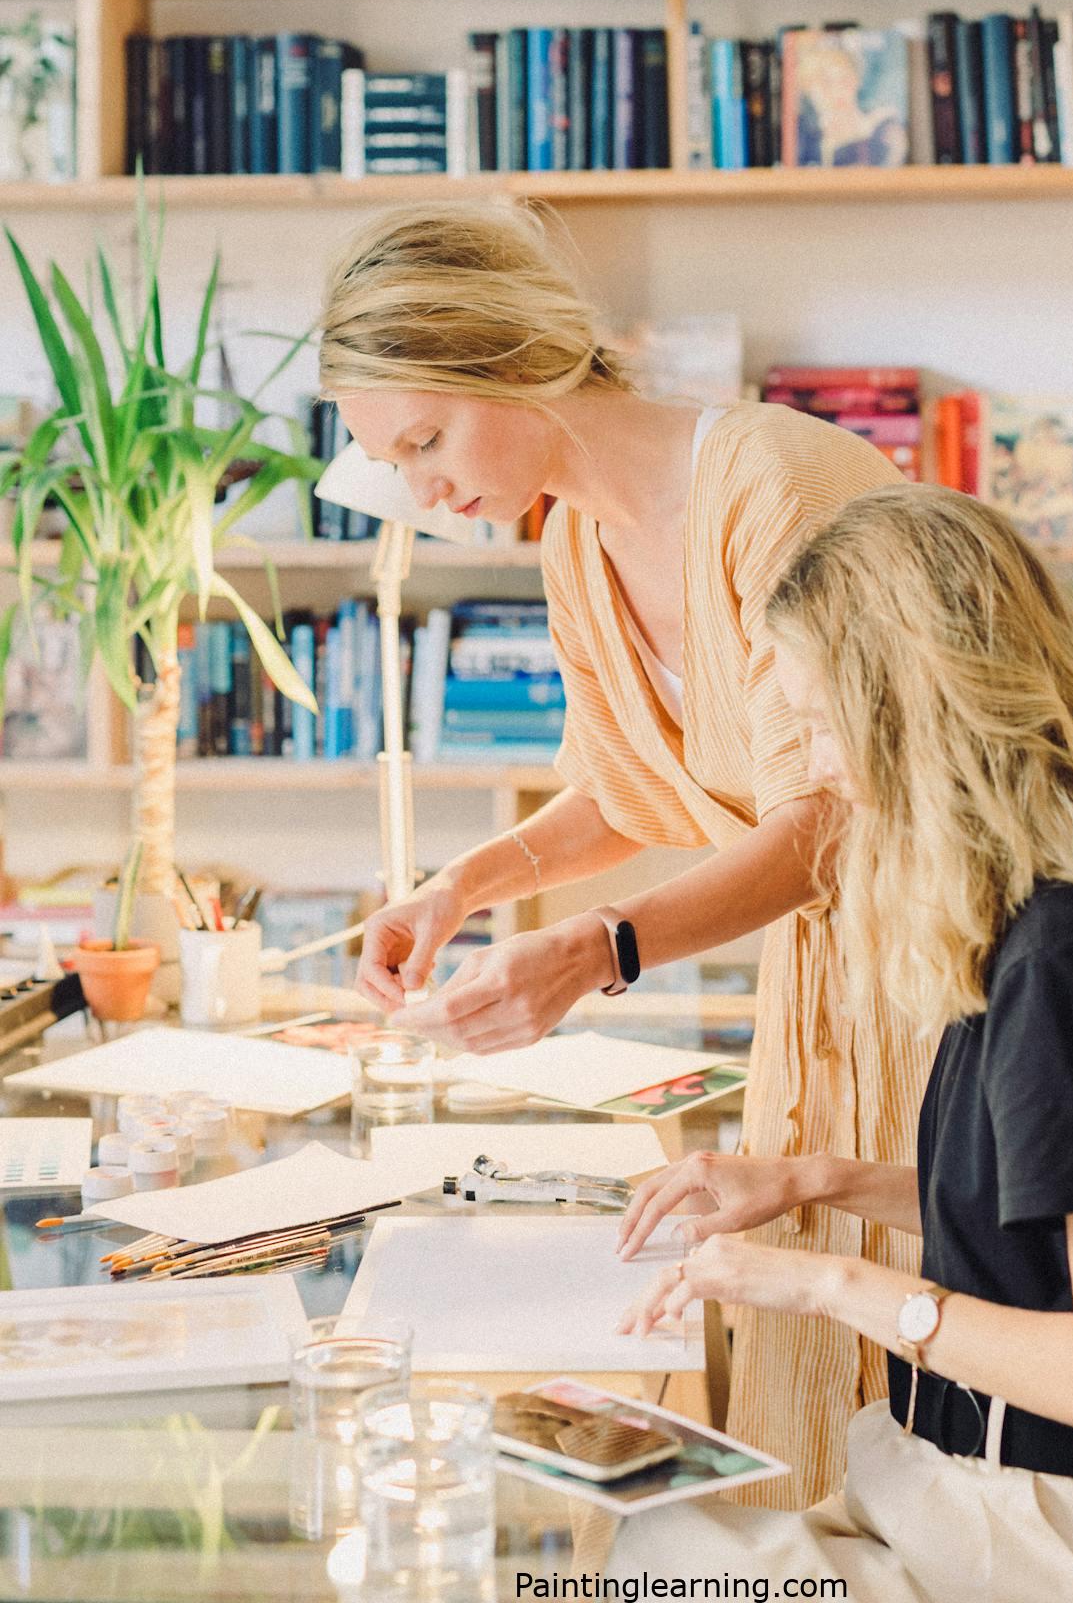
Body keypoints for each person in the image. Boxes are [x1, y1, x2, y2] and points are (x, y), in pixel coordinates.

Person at [317, 200, 934, 1507]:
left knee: (931, 1407)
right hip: (818, 1012)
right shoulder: (574, 542)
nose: (422, 491)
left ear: (509, 354)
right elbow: (635, 781)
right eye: (391, 459)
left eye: (423, 439)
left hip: (943, 998)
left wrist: (603, 948)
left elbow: (842, 813)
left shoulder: (779, 484)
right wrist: (459, 887)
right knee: (812, 1414)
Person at [611, 483, 1073, 1601]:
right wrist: (813, 1176)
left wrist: (823, 1283)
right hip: (964, 1496)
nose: (811, 759)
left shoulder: (1062, 962)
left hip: (1051, 1540)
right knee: (641, 1546)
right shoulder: (1034, 917)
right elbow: (1036, 1223)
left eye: (814, 719)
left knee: (635, 1559)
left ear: (910, 705)